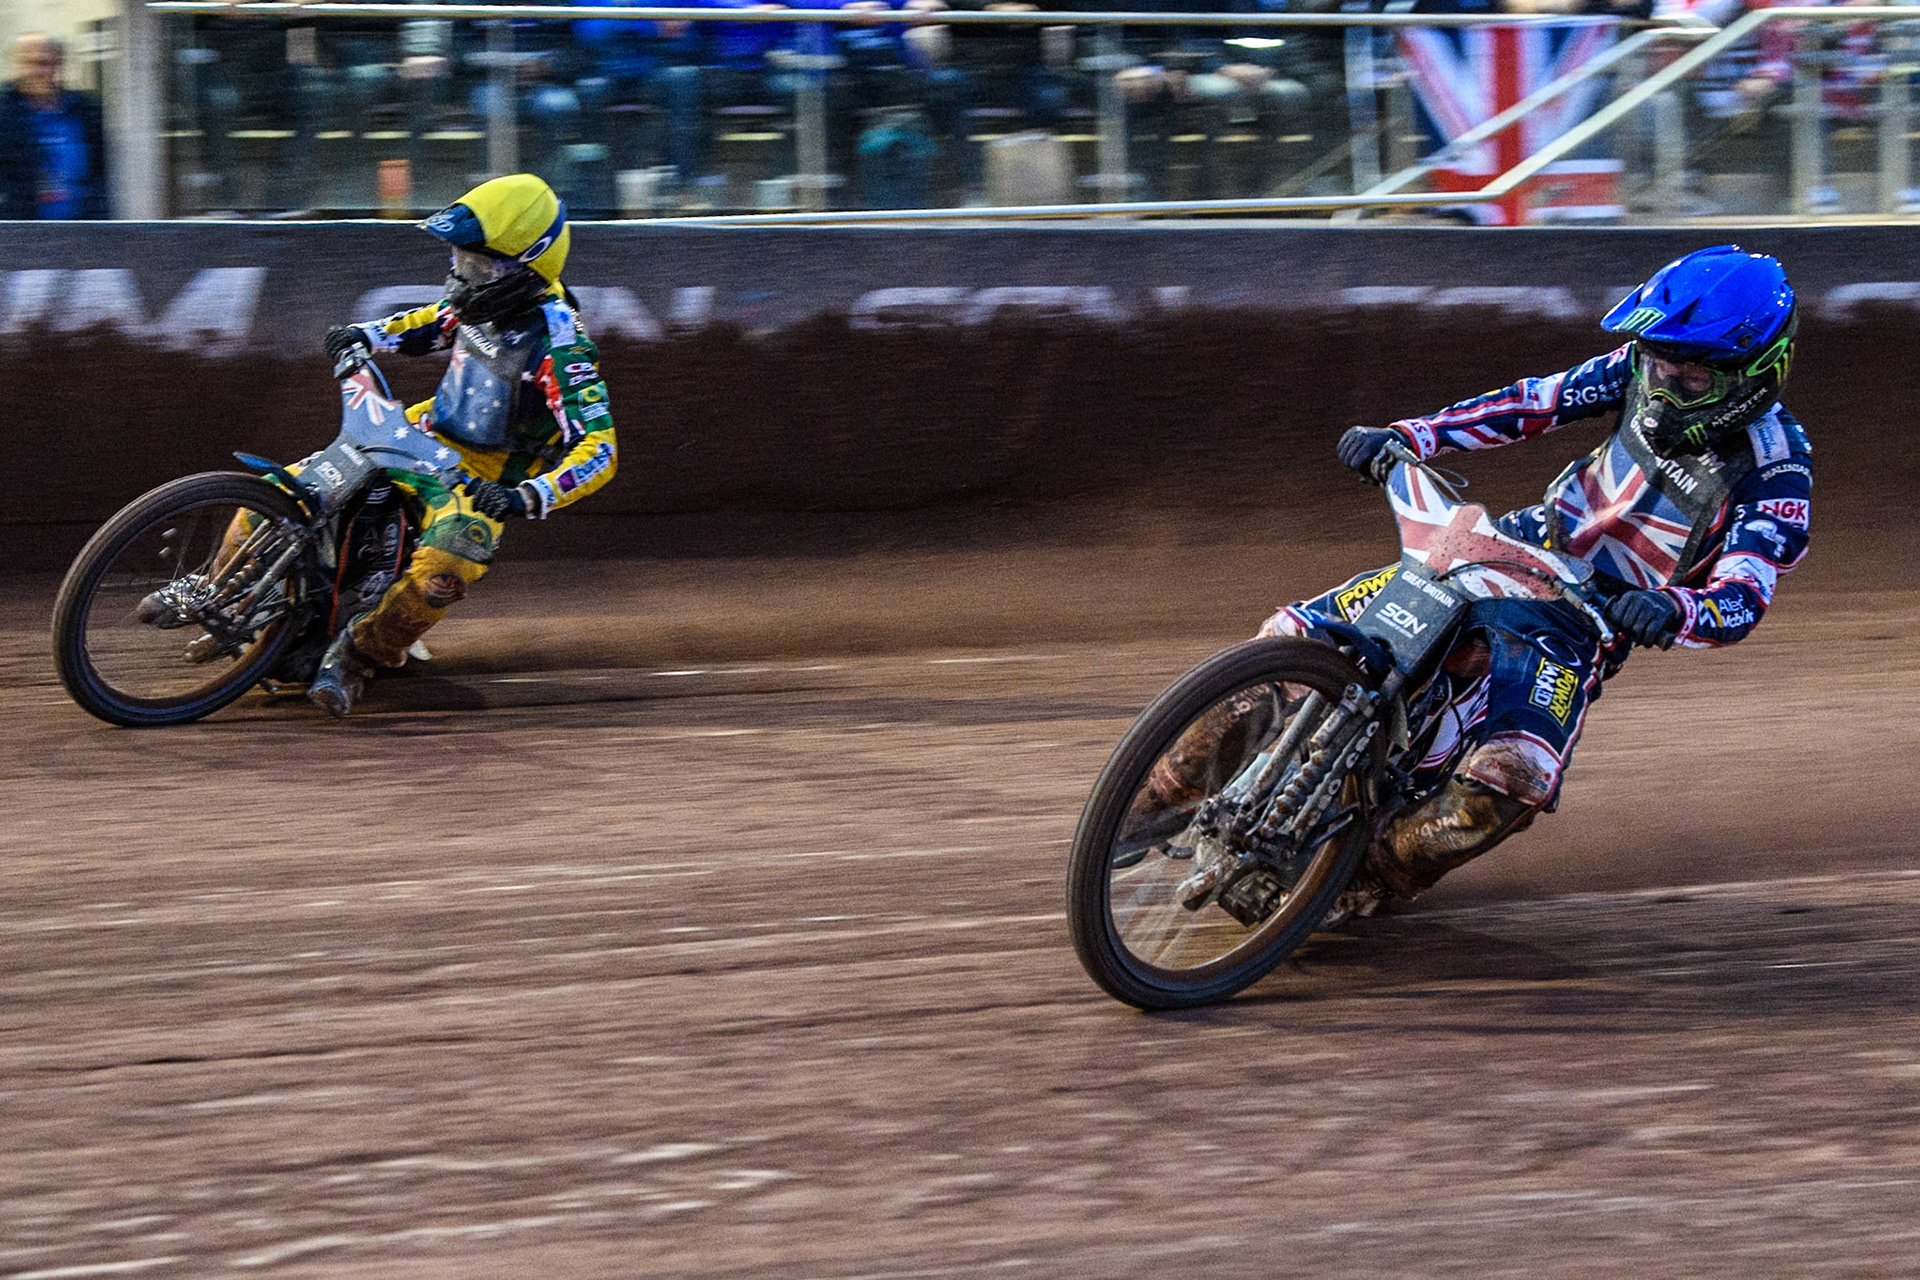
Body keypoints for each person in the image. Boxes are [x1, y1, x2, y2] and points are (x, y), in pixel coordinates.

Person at [1137, 245, 1811, 913]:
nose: (1664, 388)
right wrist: (1410, 437)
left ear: (1758, 374)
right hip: (1505, 546)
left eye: (1691, 380)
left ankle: (1361, 877)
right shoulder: (1635, 368)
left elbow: (1742, 597)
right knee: (1290, 644)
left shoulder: (1776, 472)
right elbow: (1531, 405)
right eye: (1659, 365)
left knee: (1514, 778)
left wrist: (1671, 610)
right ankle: (1154, 801)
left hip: (1586, 621)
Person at [311, 173, 616, 718]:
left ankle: (363, 653)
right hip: (416, 433)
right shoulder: (475, 301)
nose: (462, 274)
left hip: (477, 478)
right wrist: (368, 336)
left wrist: (528, 496)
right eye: (460, 258)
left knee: (454, 558)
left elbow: (600, 450)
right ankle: (213, 588)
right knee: (293, 487)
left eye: (478, 264)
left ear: (529, 263)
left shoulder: (561, 345)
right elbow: (431, 322)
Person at [0, 34, 107, 220]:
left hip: (80, 229)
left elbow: (99, 174)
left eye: (44, 63)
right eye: (30, 63)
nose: (37, 72)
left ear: (58, 65)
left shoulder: (84, 110)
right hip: (20, 231)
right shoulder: (5, 112)